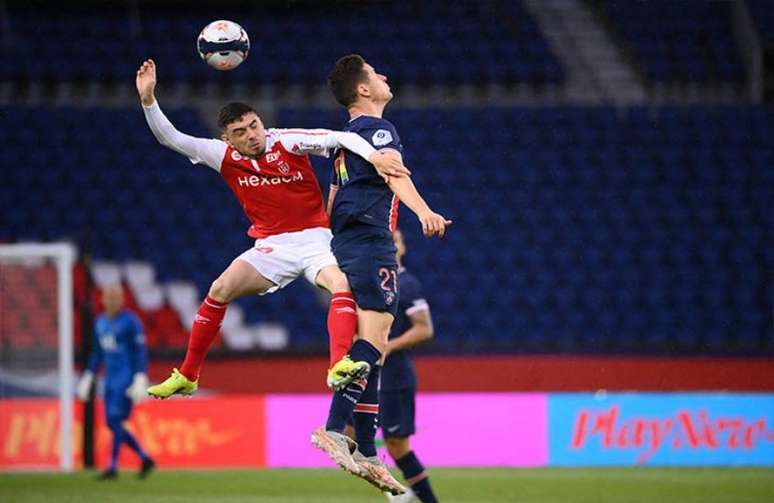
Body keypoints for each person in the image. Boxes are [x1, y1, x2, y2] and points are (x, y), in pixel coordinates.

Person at [133, 59, 409, 398]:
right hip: (271, 246)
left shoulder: (287, 141)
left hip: (316, 239)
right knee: (220, 288)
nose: (251, 135)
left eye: (253, 126)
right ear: (227, 139)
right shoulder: (221, 155)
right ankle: (189, 375)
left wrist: (376, 156)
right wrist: (149, 100)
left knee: (340, 283)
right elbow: (170, 138)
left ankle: (338, 364)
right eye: (240, 132)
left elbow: (340, 138)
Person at [311, 54, 451, 496]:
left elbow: (332, 201)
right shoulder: (379, 130)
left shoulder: (342, 141)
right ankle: (336, 428)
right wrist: (425, 211)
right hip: (372, 242)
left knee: (371, 347)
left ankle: (367, 449)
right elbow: (393, 173)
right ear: (364, 90)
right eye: (376, 73)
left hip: (346, 243)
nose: (385, 76)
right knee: (375, 341)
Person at [76, 285, 155, 480]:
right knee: (113, 423)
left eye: (116, 297)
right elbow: (98, 353)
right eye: (109, 297)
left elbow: (140, 351)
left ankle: (112, 467)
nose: (112, 301)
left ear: (122, 300)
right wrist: (89, 375)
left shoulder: (131, 322)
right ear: (102, 300)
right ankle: (144, 457)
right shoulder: (100, 322)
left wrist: (140, 376)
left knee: (115, 419)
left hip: (126, 378)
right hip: (109, 379)